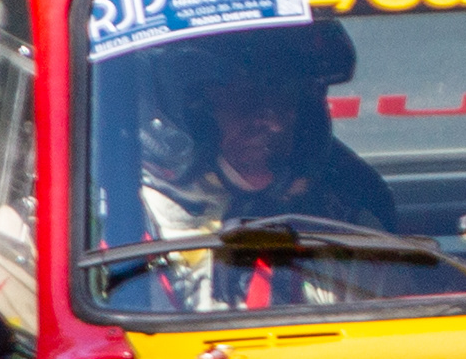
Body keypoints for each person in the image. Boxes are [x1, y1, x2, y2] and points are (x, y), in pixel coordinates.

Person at [130, 21, 401, 308]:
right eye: (245, 98)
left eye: (286, 99)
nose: (274, 123)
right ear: (184, 116)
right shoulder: (111, 224)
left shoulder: (340, 231)